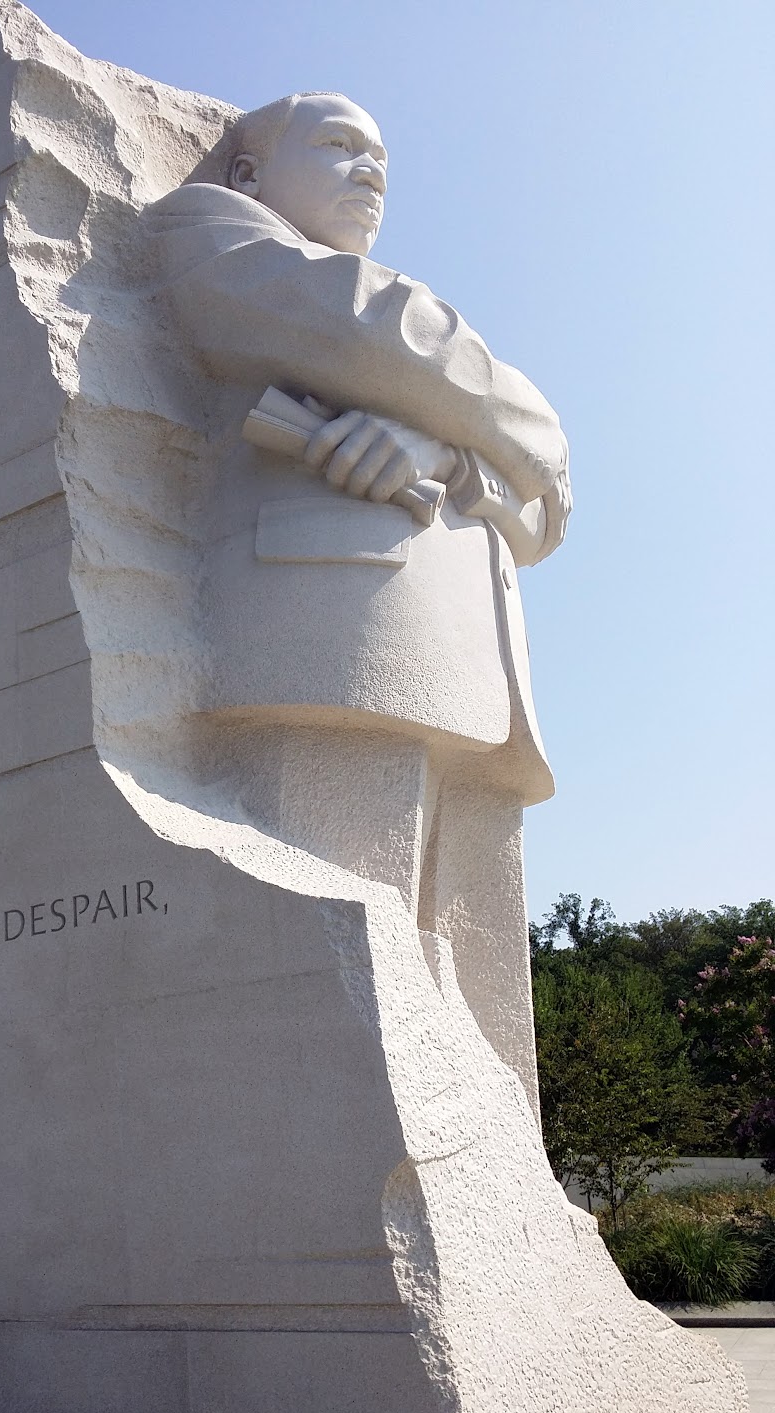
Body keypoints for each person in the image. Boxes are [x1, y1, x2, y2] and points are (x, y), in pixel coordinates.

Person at [139, 93, 572, 1107]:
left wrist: (446, 447)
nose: (370, 173)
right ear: (248, 175)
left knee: (472, 1025)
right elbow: (374, 333)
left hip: (470, 676)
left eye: (381, 158)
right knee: (333, 1012)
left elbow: (550, 509)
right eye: (338, 147)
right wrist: (525, 420)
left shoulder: (410, 345)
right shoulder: (206, 228)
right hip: (332, 646)